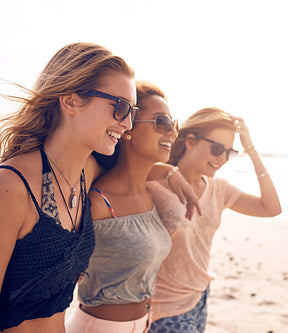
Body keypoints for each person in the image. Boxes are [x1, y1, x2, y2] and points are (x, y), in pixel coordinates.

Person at [0, 43, 197, 333]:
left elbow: (131, 169)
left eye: (132, 111)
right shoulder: (12, 187)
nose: (128, 123)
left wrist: (170, 173)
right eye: (119, 107)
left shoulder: (85, 172)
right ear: (70, 102)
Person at [147, 107, 282, 332]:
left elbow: (271, 208)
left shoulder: (219, 189)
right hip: (164, 305)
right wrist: (166, 171)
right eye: (217, 149)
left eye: (229, 153)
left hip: (200, 296)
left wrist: (251, 149)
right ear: (190, 141)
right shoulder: (154, 184)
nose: (222, 159)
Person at [64, 80, 183, 333]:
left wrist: (172, 172)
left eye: (174, 125)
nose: (172, 132)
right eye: (162, 122)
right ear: (128, 127)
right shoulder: (98, 202)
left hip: (142, 325)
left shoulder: (151, 193)